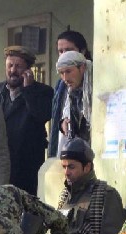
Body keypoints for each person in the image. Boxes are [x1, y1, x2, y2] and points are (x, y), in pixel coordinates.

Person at [0, 46, 53, 195]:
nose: (13, 70)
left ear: (28, 70)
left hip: (27, 164)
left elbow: (42, 115)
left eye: (18, 66)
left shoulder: (43, 92)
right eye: (10, 65)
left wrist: (28, 91)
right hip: (0, 163)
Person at [48, 30, 92, 158]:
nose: (63, 55)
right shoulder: (61, 84)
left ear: (82, 51)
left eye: (68, 50)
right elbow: (58, 116)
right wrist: (63, 124)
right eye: (60, 51)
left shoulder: (93, 80)